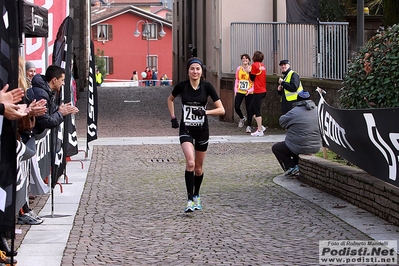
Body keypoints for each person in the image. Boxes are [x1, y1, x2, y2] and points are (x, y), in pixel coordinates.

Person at [167, 57, 225, 213]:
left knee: (198, 169)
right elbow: (170, 99)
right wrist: (173, 117)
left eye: (197, 69)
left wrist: (205, 112)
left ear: (201, 71)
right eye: (192, 69)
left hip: (202, 131)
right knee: (190, 163)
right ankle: (189, 199)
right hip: (186, 129)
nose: (195, 71)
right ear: (188, 71)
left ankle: (197, 194)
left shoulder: (207, 87)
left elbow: (222, 110)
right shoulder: (182, 86)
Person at [16, 56, 47, 226]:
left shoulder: (24, 87)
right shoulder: (19, 87)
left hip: (22, 137)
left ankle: (24, 208)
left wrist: (30, 112)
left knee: (23, 176)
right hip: (16, 138)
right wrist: (29, 112)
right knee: (18, 178)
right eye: (29, 71)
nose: (32, 74)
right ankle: (21, 211)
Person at [272, 90, 321, 176]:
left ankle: (291, 167)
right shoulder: (318, 110)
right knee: (296, 147)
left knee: (277, 148)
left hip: (297, 146)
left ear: (297, 100)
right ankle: (298, 167)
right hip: (315, 147)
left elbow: (282, 121)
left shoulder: (294, 112)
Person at [26, 65, 79, 136]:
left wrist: (58, 110)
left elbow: (47, 113)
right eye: (62, 80)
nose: (63, 83)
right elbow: (46, 121)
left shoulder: (46, 92)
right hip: (29, 134)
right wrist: (61, 113)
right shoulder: (41, 94)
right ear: (54, 80)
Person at [248, 51, 267, 136]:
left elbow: (252, 78)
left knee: (256, 110)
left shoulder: (254, 65)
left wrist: (249, 71)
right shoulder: (262, 66)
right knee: (251, 109)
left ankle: (259, 130)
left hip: (258, 90)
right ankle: (261, 126)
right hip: (263, 90)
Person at [234, 54, 254, 130]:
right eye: (243, 58)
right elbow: (237, 79)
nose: (244, 60)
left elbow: (254, 81)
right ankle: (242, 118)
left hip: (249, 91)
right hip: (240, 90)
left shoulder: (251, 68)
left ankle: (249, 125)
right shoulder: (239, 68)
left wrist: (250, 90)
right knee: (236, 106)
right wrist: (235, 90)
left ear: (249, 60)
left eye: (246, 58)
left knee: (249, 109)